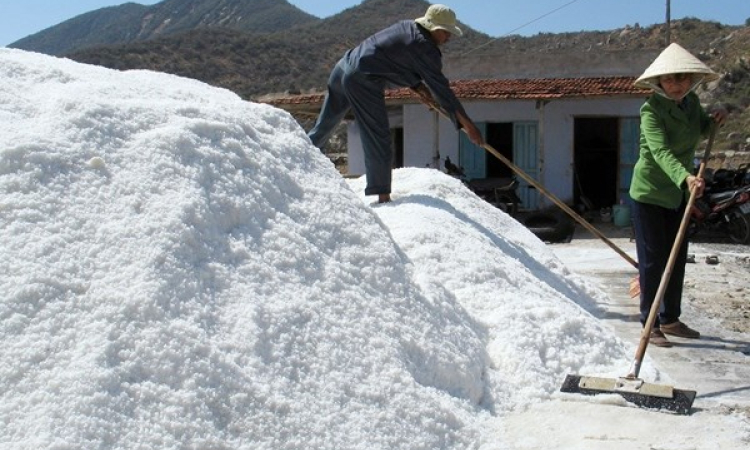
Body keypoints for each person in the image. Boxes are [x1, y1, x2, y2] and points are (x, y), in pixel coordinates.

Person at [307, 4, 484, 203]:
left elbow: (393, 60)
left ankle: (299, 158)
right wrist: (469, 126)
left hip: (343, 66)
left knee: (324, 125)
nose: (449, 38)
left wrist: (418, 87)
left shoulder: (408, 27)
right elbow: (443, 92)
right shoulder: (426, 48)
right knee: (378, 135)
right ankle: (383, 196)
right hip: (362, 79)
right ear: (436, 29)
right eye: (447, 33)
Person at [630, 43, 727, 347]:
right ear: (659, 82)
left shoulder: (691, 102)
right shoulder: (650, 111)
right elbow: (659, 151)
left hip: (679, 194)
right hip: (650, 193)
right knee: (653, 261)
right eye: (670, 80)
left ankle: (670, 319)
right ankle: (650, 322)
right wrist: (684, 176)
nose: (676, 85)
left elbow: (699, 129)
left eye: (682, 79)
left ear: (690, 81)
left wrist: (713, 122)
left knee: (677, 257)